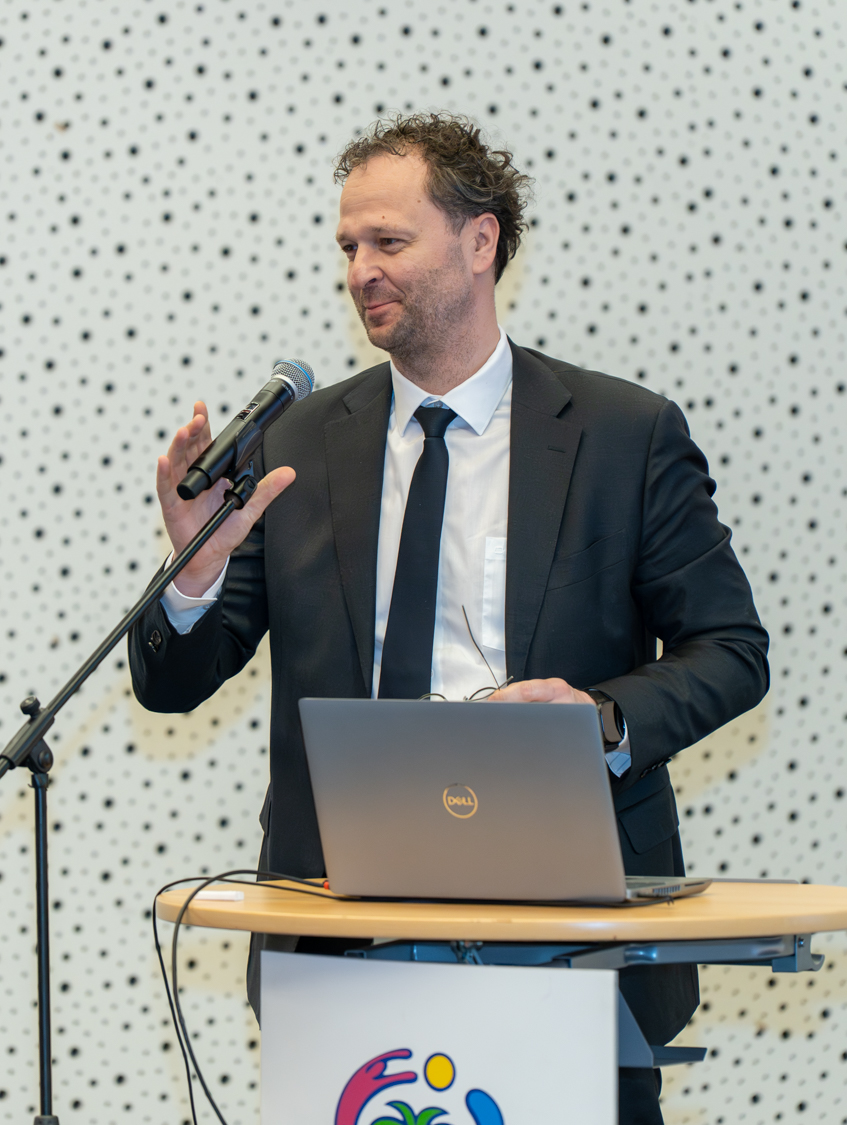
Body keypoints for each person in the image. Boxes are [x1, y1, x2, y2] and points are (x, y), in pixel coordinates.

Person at [131, 114, 769, 1125]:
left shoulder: (623, 435)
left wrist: (601, 718)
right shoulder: (297, 444)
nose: (361, 271)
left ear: (480, 241)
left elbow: (732, 652)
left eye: (389, 240)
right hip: (339, 931)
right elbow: (172, 684)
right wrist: (193, 574)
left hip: (570, 927)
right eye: (348, 246)